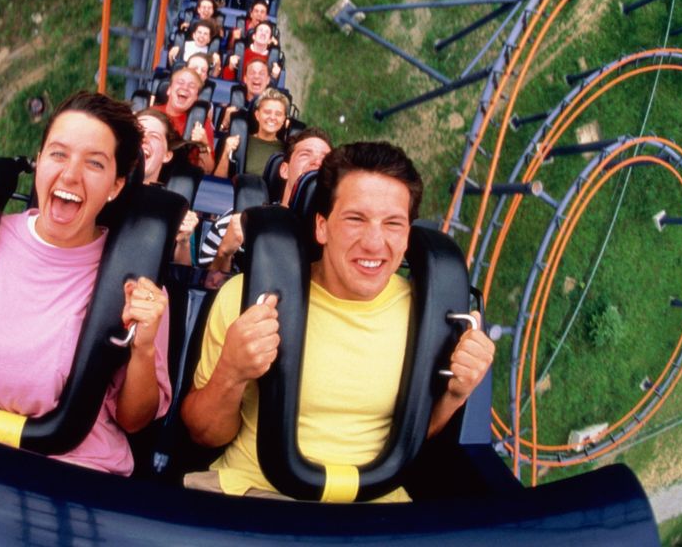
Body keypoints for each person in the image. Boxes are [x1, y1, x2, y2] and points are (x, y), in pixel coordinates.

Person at [181, 141, 495, 500]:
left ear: (408, 236)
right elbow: (203, 434)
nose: (375, 242)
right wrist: (231, 372)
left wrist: (454, 396)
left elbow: (415, 437)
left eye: (393, 223)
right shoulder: (245, 296)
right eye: (355, 219)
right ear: (322, 227)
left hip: (374, 509)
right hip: (257, 493)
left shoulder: (434, 315)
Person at [0, 91, 172, 476]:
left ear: (116, 185)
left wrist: (143, 348)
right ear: (41, 160)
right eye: (58, 154)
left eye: (94, 164)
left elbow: (134, 421)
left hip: (70, 464)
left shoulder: (136, 283)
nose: (69, 175)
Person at [198, 127, 332, 277]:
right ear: (284, 170)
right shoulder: (236, 220)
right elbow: (207, 286)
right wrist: (224, 252)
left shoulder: (335, 235)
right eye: (305, 155)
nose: (317, 162)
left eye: (325, 159)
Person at [136, 106, 199, 265]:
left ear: (167, 155)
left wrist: (183, 242)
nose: (144, 138)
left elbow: (181, 275)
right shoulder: (103, 192)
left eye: (154, 136)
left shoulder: (176, 210)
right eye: (138, 132)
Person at [213, 88, 289, 179]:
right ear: (257, 115)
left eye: (278, 114)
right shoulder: (237, 141)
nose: (272, 117)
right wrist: (226, 153)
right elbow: (219, 180)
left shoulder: (287, 151)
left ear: (284, 119)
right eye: (267, 112)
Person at [153, 67, 216, 173]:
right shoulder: (151, 113)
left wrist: (203, 145)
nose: (185, 88)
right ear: (169, 90)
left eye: (191, 86)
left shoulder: (202, 123)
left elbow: (208, 171)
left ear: (196, 97)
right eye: (180, 82)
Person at [217, 58, 271, 134]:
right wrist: (225, 123)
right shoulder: (229, 106)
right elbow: (217, 138)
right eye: (252, 73)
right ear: (245, 79)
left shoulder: (272, 111)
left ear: (268, 80)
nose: (256, 76)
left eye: (261, 73)